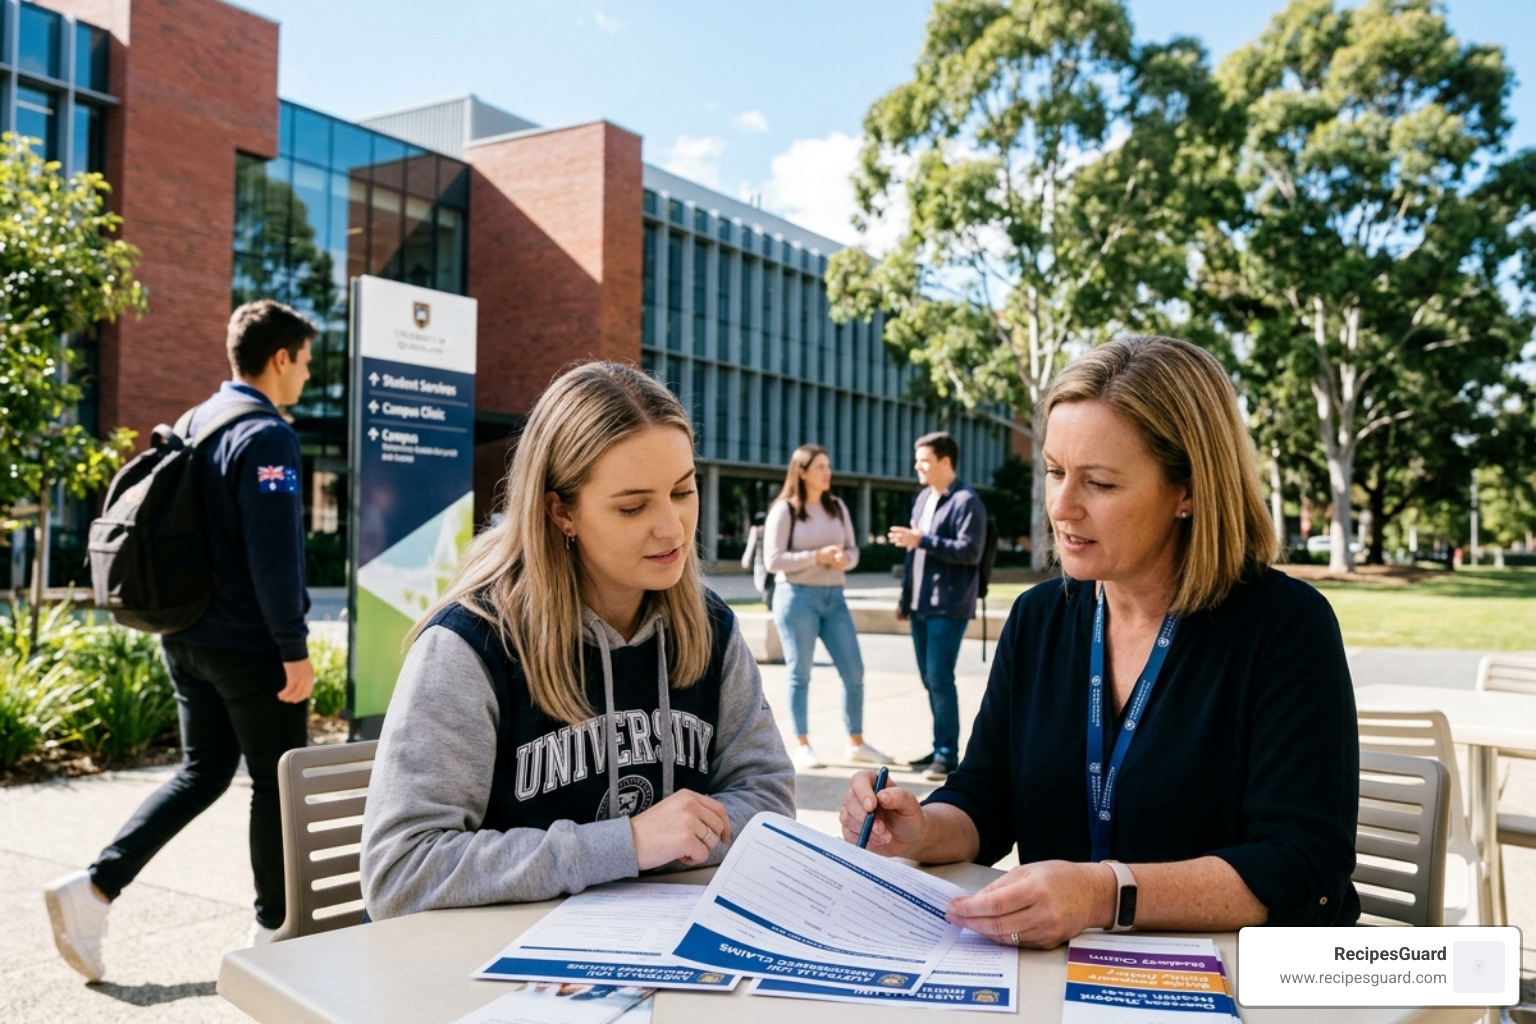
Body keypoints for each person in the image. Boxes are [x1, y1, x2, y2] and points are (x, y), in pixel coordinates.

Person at [843, 336, 1359, 948]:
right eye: (1056, 472)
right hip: (1060, 982)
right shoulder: (1039, 618)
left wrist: (1103, 893)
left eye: (1101, 484)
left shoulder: (1285, 626)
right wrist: (922, 828)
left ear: (1188, 491)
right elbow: (985, 798)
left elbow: (1302, 866)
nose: (1061, 507)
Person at [360, 361, 794, 919]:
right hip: (500, 980)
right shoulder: (470, 645)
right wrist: (627, 844)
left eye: (683, 491)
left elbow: (770, 798)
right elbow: (401, 872)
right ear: (561, 511)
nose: (673, 528)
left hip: (663, 948)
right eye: (633, 506)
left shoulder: (710, 627)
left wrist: (664, 845)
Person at [45, 300, 317, 980]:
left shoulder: (196, 422)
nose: (308, 377)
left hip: (184, 635)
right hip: (248, 644)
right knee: (277, 785)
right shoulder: (266, 436)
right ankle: (273, 937)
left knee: (204, 771)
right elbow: (273, 553)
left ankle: (96, 888)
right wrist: (293, 646)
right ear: (280, 359)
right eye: (306, 363)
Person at [763, 444, 893, 770]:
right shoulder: (784, 510)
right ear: (802, 471)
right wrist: (817, 556)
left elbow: (854, 552)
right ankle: (802, 744)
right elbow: (772, 560)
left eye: (828, 466)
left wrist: (842, 559)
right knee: (800, 673)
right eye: (820, 466)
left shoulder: (837, 507)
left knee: (854, 671)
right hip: (796, 598)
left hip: (834, 599)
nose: (827, 472)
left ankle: (856, 742)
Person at [887, 431, 986, 780]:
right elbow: (913, 555)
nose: (917, 465)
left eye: (924, 459)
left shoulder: (966, 502)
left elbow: (969, 551)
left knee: (940, 678)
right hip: (919, 606)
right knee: (930, 679)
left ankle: (947, 755)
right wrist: (904, 598)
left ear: (946, 461)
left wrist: (922, 539)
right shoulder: (923, 499)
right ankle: (938, 748)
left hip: (947, 606)